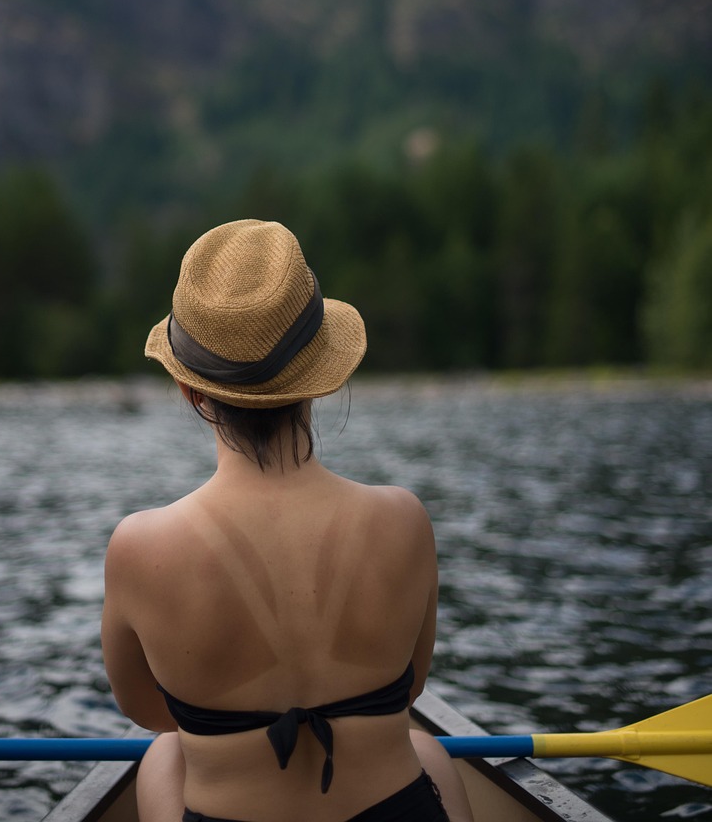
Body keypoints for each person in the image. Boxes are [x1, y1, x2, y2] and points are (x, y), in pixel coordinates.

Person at [102, 219, 474, 822]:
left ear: (191, 391)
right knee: (428, 747)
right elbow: (409, 689)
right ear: (320, 378)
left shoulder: (139, 547)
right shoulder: (405, 520)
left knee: (164, 757)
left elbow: (148, 712)